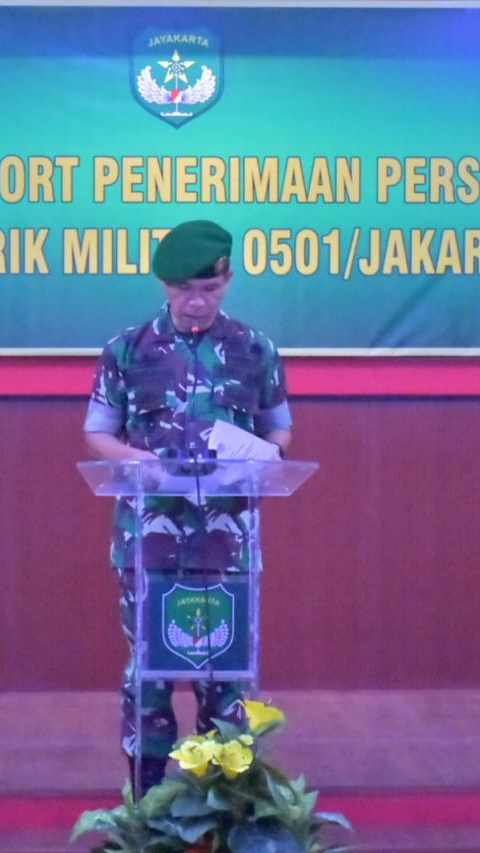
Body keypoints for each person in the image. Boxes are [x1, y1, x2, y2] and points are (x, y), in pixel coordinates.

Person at [83, 220, 292, 789]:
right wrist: (138, 461)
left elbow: (279, 430)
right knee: (149, 671)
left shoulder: (255, 349)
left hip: (227, 543)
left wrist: (266, 457)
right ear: (164, 284)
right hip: (149, 541)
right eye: (183, 290)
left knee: (226, 673)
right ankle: (148, 798)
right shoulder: (127, 350)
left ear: (228, 280)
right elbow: (98, 432)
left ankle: (223, 799)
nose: (196, 301)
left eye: (209, 289)